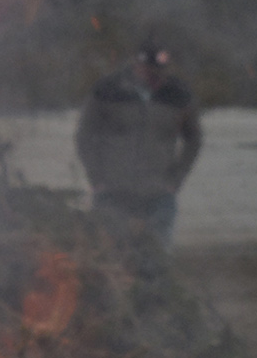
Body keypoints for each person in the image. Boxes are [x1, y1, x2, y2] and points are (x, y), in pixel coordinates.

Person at [75, 39, 202, 246]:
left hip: (159, 194)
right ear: (136, 64)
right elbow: (85, 135)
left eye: (159, 71)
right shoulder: (106, 90)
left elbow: (194, 139)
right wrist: (96, 178)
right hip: (112, 191)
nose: (154, 76)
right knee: (110, 254)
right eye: (148, 70)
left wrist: (175, 180)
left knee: (156, 255)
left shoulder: (180, 95)